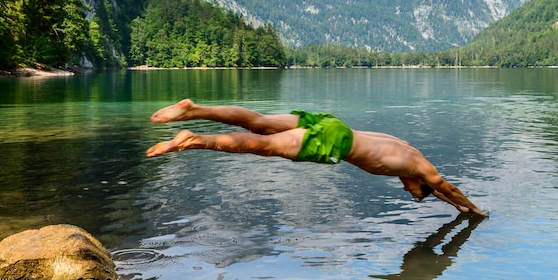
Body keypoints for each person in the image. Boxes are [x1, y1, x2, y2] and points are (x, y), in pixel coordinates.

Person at [146, 100, 488, 217]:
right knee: (261, 146)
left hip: (334, 124)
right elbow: (446, 186)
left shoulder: (407, 150)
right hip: (334, 142)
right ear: (420, 183)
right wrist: (473, 208)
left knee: (260, 122)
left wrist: (454, 207)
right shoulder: (420, 169)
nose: (405, 188)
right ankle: (193, 140)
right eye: (412, 191)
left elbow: (442, 191)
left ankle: (194, 111)